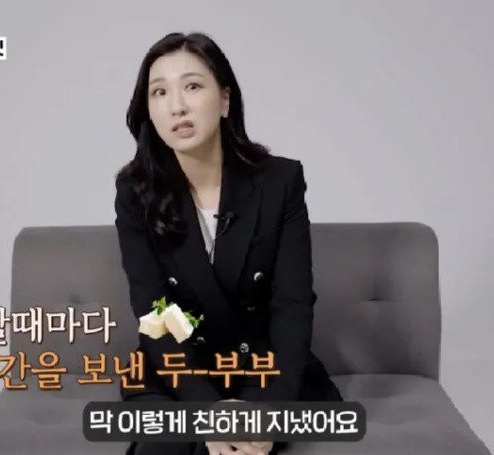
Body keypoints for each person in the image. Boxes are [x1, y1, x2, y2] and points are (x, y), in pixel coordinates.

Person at [114, 32, 343, 455]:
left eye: (192, 86)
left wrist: (267, 411)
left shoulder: (279, 182)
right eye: (159, 92)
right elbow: (155, 314)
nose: (177, 106)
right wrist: (208, 412)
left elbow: (291, 306)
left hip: (261, 370)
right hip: (177, 373)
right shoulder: (135, 192)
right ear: (149, 111)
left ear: (224, 99)